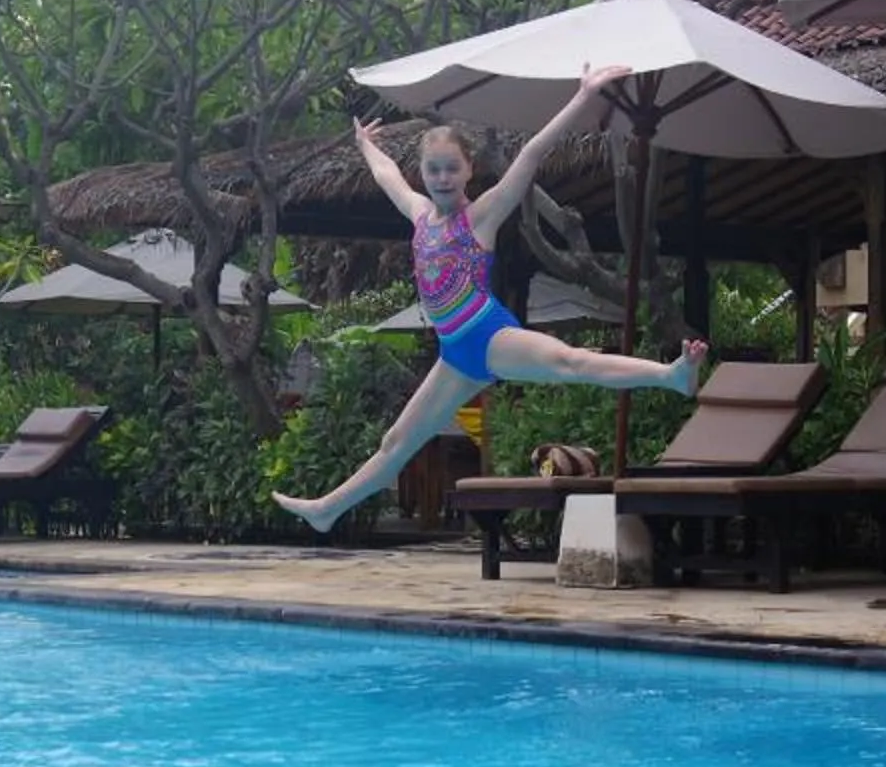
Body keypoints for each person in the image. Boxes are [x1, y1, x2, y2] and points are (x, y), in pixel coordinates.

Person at [274, 65, 707, 533]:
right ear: (422, 172)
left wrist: (582, 97)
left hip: (485, 332)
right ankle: (327, 510)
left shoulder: (481, 216)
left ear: (468, 171)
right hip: (455, 354)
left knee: (570, 362)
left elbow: (534, 152)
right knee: (395, 441)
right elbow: (386, 176)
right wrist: (365, 145)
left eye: (451, 168)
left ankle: (671, 376)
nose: (441, 177)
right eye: (433, 169)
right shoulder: (419, 214)